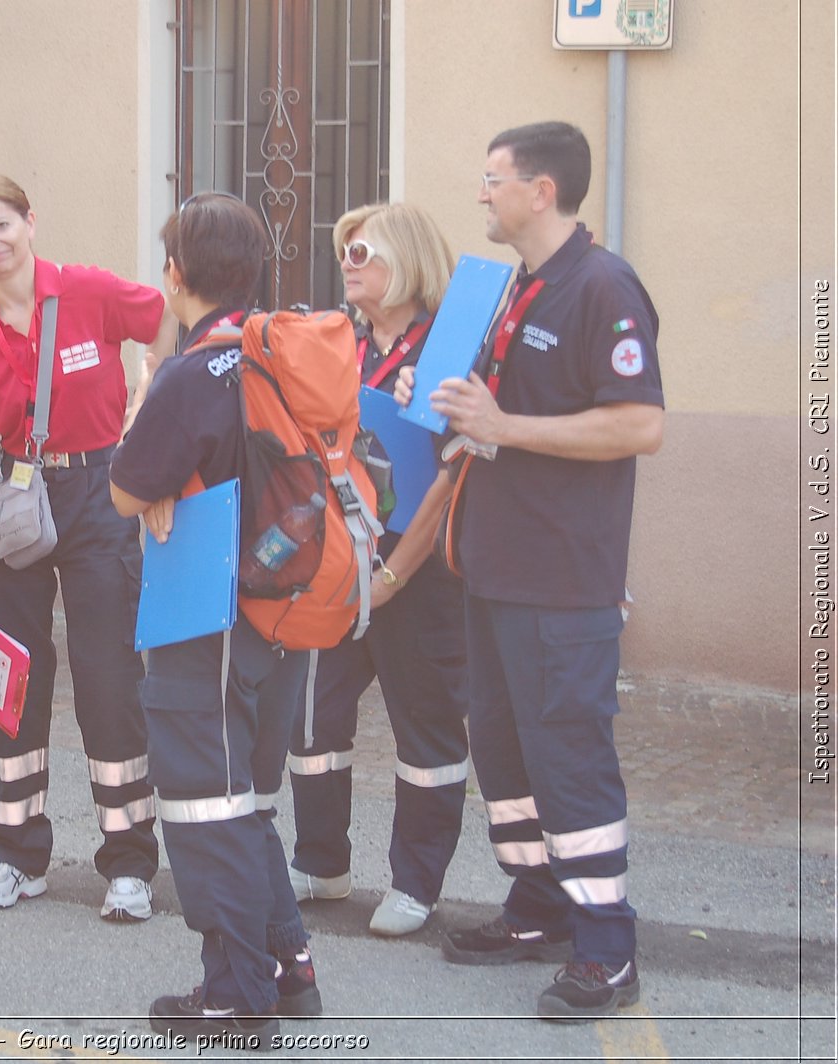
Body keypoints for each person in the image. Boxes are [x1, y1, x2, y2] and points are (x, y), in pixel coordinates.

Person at [395, 121, 664, 1021]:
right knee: (506, 755)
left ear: (541, 191)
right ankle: (536, 907)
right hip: (493, 570)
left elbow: (637, 425)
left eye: (493, 179)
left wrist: (503, 426)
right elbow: (494, 414)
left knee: (571, 759)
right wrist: (443, 404)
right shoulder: (518, 286)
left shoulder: (602, 286)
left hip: (561, 579)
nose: (482, 193)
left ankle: (606, 950)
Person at [109, 192, 321, 1047]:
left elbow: (124, 485)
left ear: (175, 274)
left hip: (208, 615)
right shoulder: (280, 353)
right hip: (282, 608)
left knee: (204, 805)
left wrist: (150, 475)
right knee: (244, 801)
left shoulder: (192, 371)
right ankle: (289, 965)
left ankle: (236, 996)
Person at [0, 174, 173, 922]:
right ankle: (16, 853)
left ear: (30, 222)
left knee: (108, 677)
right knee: (9, 683)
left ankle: (130, 862)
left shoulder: (87, 291)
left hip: (98, 494)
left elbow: (165, 320)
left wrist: (151, 408)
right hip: (11, 505)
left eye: (2, 225)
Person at [286, 202, 469, 938]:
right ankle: (322, 863)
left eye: (364, 253)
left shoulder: (451, 352)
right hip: (341, 560)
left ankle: (416, 883)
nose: (349, 266)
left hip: (415, 572)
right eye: (345, 254)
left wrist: (393, 575)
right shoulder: (341, 342)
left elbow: (450, 481)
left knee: (423, 730)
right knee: (314, 716)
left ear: (411, 262)